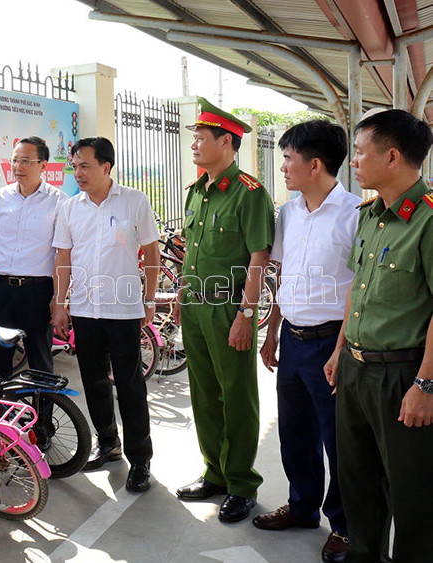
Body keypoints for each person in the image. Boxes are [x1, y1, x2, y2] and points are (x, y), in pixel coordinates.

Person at [323, 109, 433, 562]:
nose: (354, 162)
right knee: (358, 481)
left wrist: (425, 384)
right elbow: (357, 287)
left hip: (404, 375)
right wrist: (338, 351)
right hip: (355, 369)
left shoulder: (428, 219)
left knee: (412, 493)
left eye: (361, 152)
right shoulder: (370, 214)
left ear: (391, 157)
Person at [256, 120, 358, 563]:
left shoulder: (356, 215)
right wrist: (272, 330)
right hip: (294, 341)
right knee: (295, 433)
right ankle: (302, 508)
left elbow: (360, 291)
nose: (282, 167)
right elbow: (281, 275)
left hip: (332, 342)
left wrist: (339, 349)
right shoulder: (288, 213)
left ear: (314, 164)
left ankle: (345, 526)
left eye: (288, 158)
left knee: (339, 440)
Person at [172, 97, 275, 523]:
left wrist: (246, 315)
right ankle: (214, 472)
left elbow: (259, 259)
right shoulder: (197, 192)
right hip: (195, 308)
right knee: (203, 394)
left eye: (201, 138)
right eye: (193, 137)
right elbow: (191, 254)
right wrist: (180, 296)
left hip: (229, 309)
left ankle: (241, 483)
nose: (194, 144)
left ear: (226, 142)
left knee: (237, 396)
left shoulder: (249, 194)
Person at [51, 136, 159, 492]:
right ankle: (108, 443)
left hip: (124, 309)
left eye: (85, 165)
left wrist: (150, 299)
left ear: (106, 166)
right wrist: (60, 302)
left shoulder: (134, 201)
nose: (78, 173)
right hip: (84, 308)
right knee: (94, 381)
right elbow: (63, 258)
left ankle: (140, 459)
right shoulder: (70, 208)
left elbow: (152, 252)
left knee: (130, 385)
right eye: (74, 166)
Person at [0, 136, 66, 381]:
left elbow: (63, 255)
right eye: (15, 161)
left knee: (40, 360)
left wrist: (59, 298)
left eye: (26, 161)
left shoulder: (59, 202)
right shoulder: (0, 198)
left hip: (38, 292)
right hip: (1, 290)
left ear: (43, 165)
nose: (18, 167)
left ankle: (43, 418)